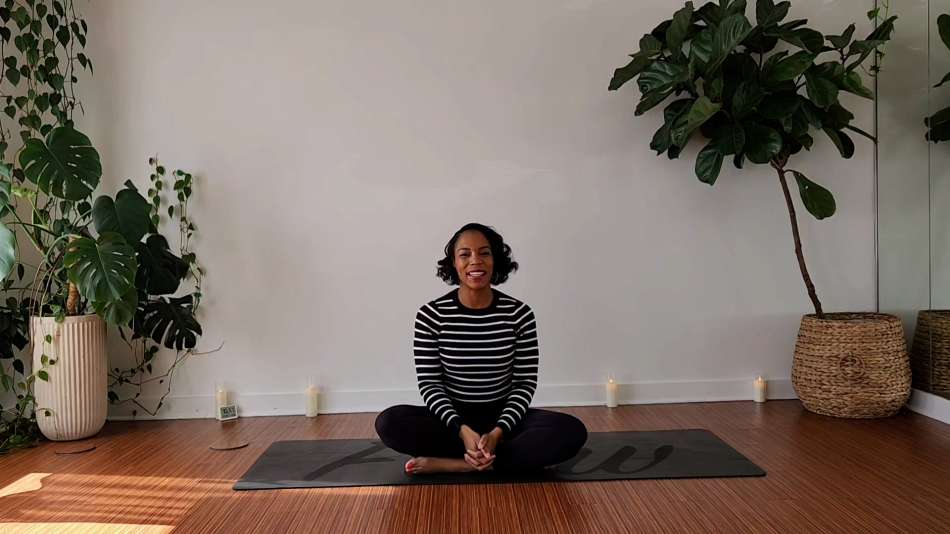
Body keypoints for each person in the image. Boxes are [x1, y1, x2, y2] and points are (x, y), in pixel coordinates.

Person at [375, 222, 588, 474]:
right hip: (452, 420)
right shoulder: (431, 315)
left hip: (504, 419)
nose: (475, 261)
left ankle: (461, 464)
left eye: (484, 253)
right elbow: (430, 384)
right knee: (390, 422)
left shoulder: (519, 314)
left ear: (495, 260)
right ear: (454, 263)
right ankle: (491, 459)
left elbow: (524, 383)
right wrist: (462, 430)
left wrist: (498, 432)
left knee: (571, 431)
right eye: (465, 254)